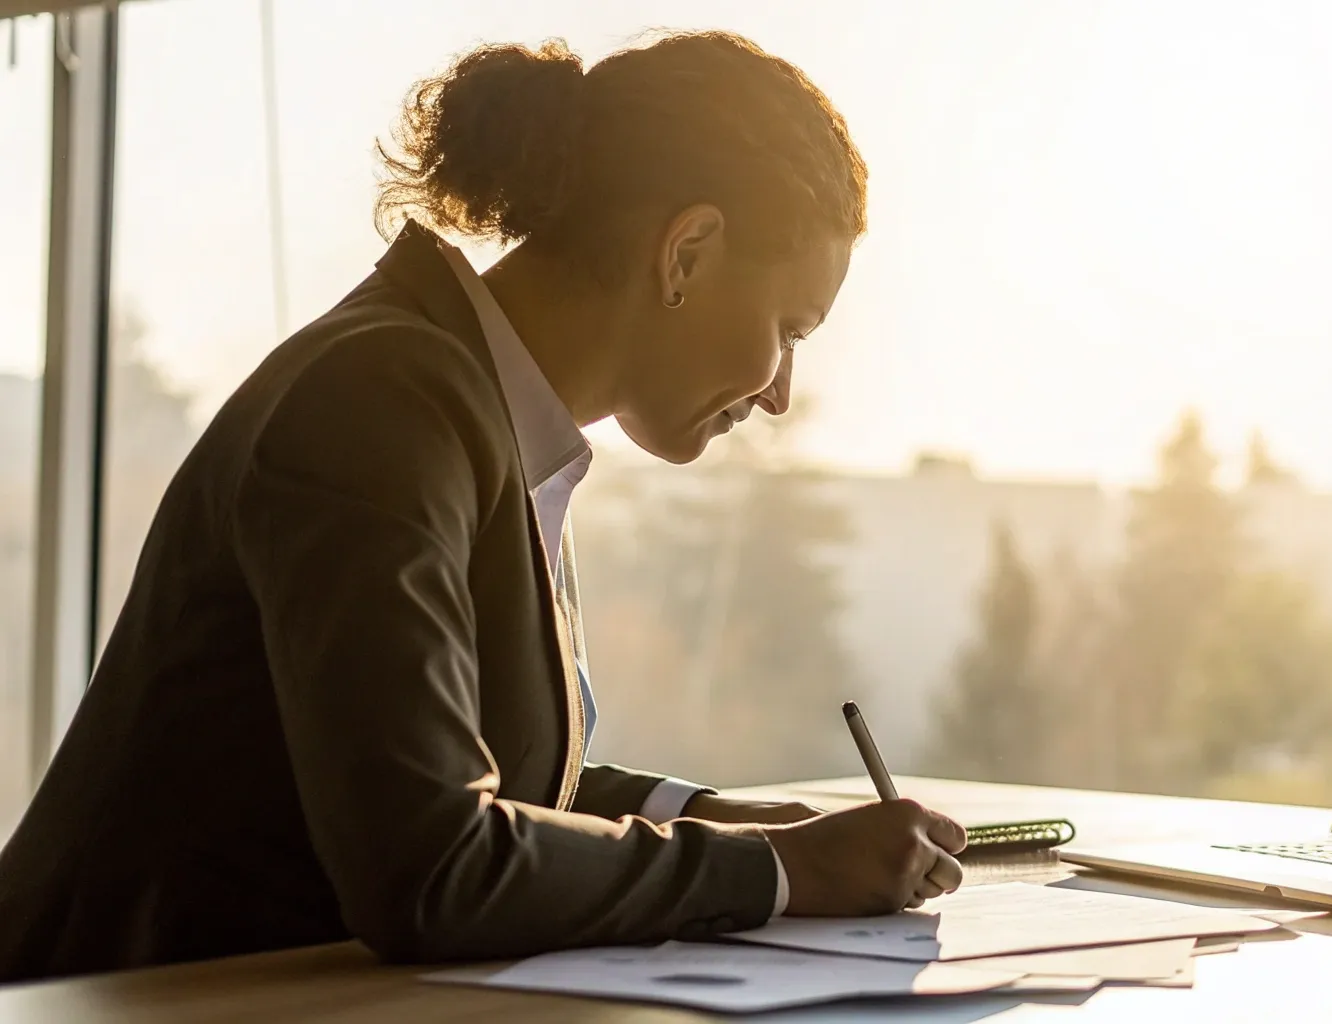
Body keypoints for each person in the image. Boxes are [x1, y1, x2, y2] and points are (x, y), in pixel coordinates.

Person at [0, 31, 966, 983]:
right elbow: (432, 866)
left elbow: (478, 773)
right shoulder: (383, 403)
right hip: (108, 1000)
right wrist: (784, 873)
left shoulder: (478, 408)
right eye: (787, 331)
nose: (780, 392)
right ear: (687, 252)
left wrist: (725, 823)